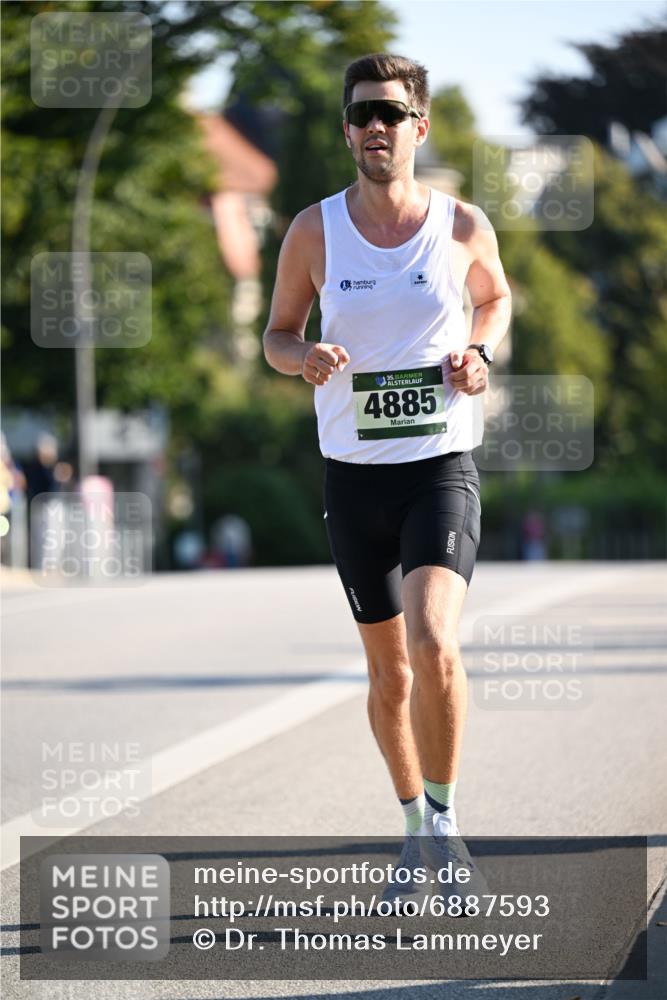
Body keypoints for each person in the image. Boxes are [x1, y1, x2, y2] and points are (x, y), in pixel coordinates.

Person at [263, 53, 512, 906]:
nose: (377, 126)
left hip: (438, 467)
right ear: (346, 130)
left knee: (434, 643)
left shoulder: (460, 225)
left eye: (393, 113)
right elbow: (276, 333)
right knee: (389, 676)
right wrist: (304, 358)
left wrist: (477, 354)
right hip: (353, 478)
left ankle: (444, 826)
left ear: (419, 127)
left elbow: (496, 299)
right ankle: (414, 828)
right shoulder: (312, 231)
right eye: (363, 113)